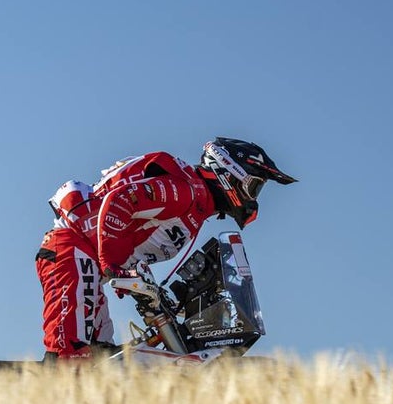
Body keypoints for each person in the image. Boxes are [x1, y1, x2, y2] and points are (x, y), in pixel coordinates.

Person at [35, 137, 296, 361]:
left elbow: (136, 232)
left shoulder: (196, 204)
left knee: (101, 361)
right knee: (70, 360)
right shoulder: (186, 191)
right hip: (73, 251)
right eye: (254, 187)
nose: (253, 200)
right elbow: (121, 200)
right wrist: (111, 263)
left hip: (86, 261)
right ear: (229, 172)